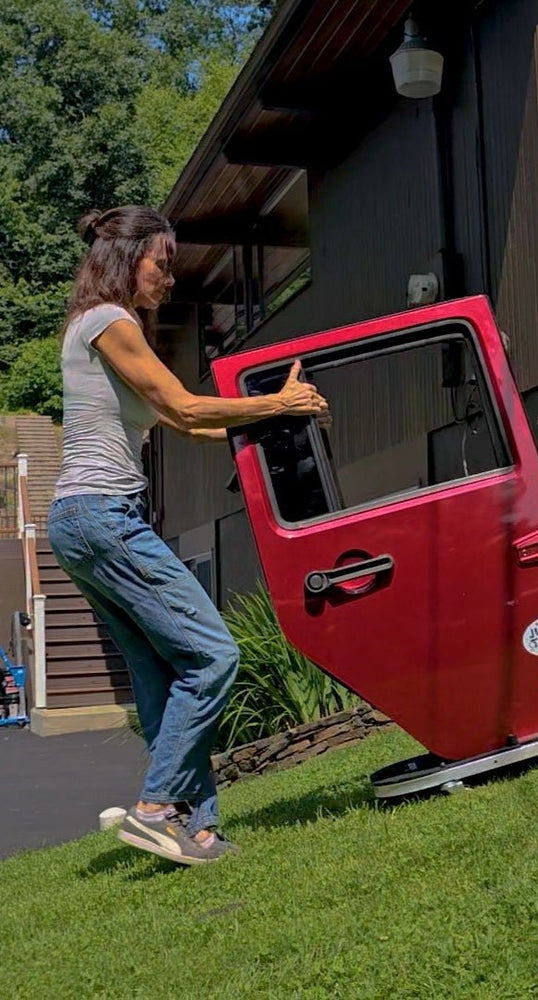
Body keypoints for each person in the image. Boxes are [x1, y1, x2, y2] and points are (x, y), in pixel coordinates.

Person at [47, 206, 328, 865]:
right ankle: (154, 809)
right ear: (127, 260)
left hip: (81, 521)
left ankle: (195, 829)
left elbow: (191, 426)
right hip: (102, 515)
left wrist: (272, 418)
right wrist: (281, 403)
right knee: (214, 656)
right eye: (163, 264)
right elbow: (186, 405)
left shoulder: (98, 326)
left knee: (160, 674)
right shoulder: (110, 321)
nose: (170, 279)